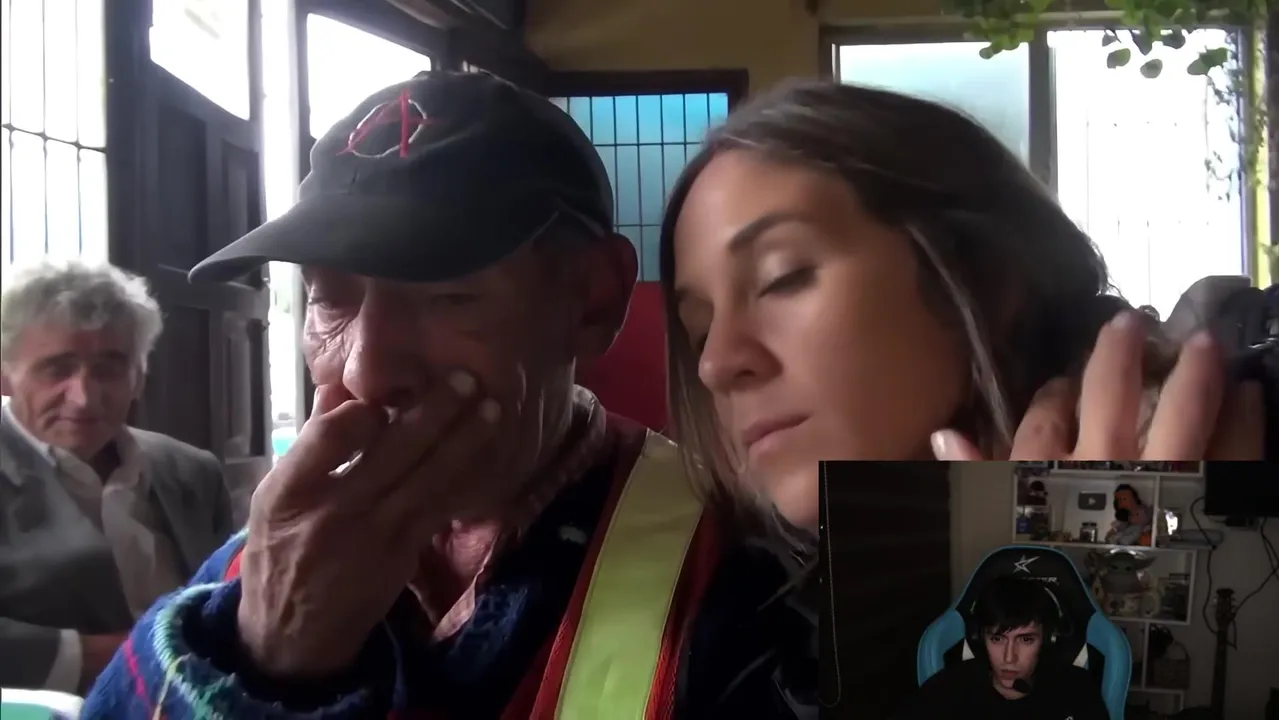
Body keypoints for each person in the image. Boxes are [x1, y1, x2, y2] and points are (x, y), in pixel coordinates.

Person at [81, 71, 815, 719]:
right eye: (330, 300)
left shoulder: (745, 567)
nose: (366, 372)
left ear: (591, 301)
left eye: (445, 296)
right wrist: (265, 655)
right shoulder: (278, 552)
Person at [658, 78, 1268, 535]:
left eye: (782, 277)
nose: (716, 364)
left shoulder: (1241, 454)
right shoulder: (719, 618)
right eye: (699, 331)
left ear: (985, 275)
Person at [0, 261, 234, 694]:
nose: (84, 398)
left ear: (139, 377)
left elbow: (229, 597)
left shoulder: (193, 470)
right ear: (5, 375)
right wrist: (123, 660)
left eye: (108, 369)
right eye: (57, 369)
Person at [898, 576, 1110, 720]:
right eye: (997, 638)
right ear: (979, 639)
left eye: (1026, 640)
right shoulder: (946, 690)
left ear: (1048, 640)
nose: (1009, 658)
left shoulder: (1077, 690)